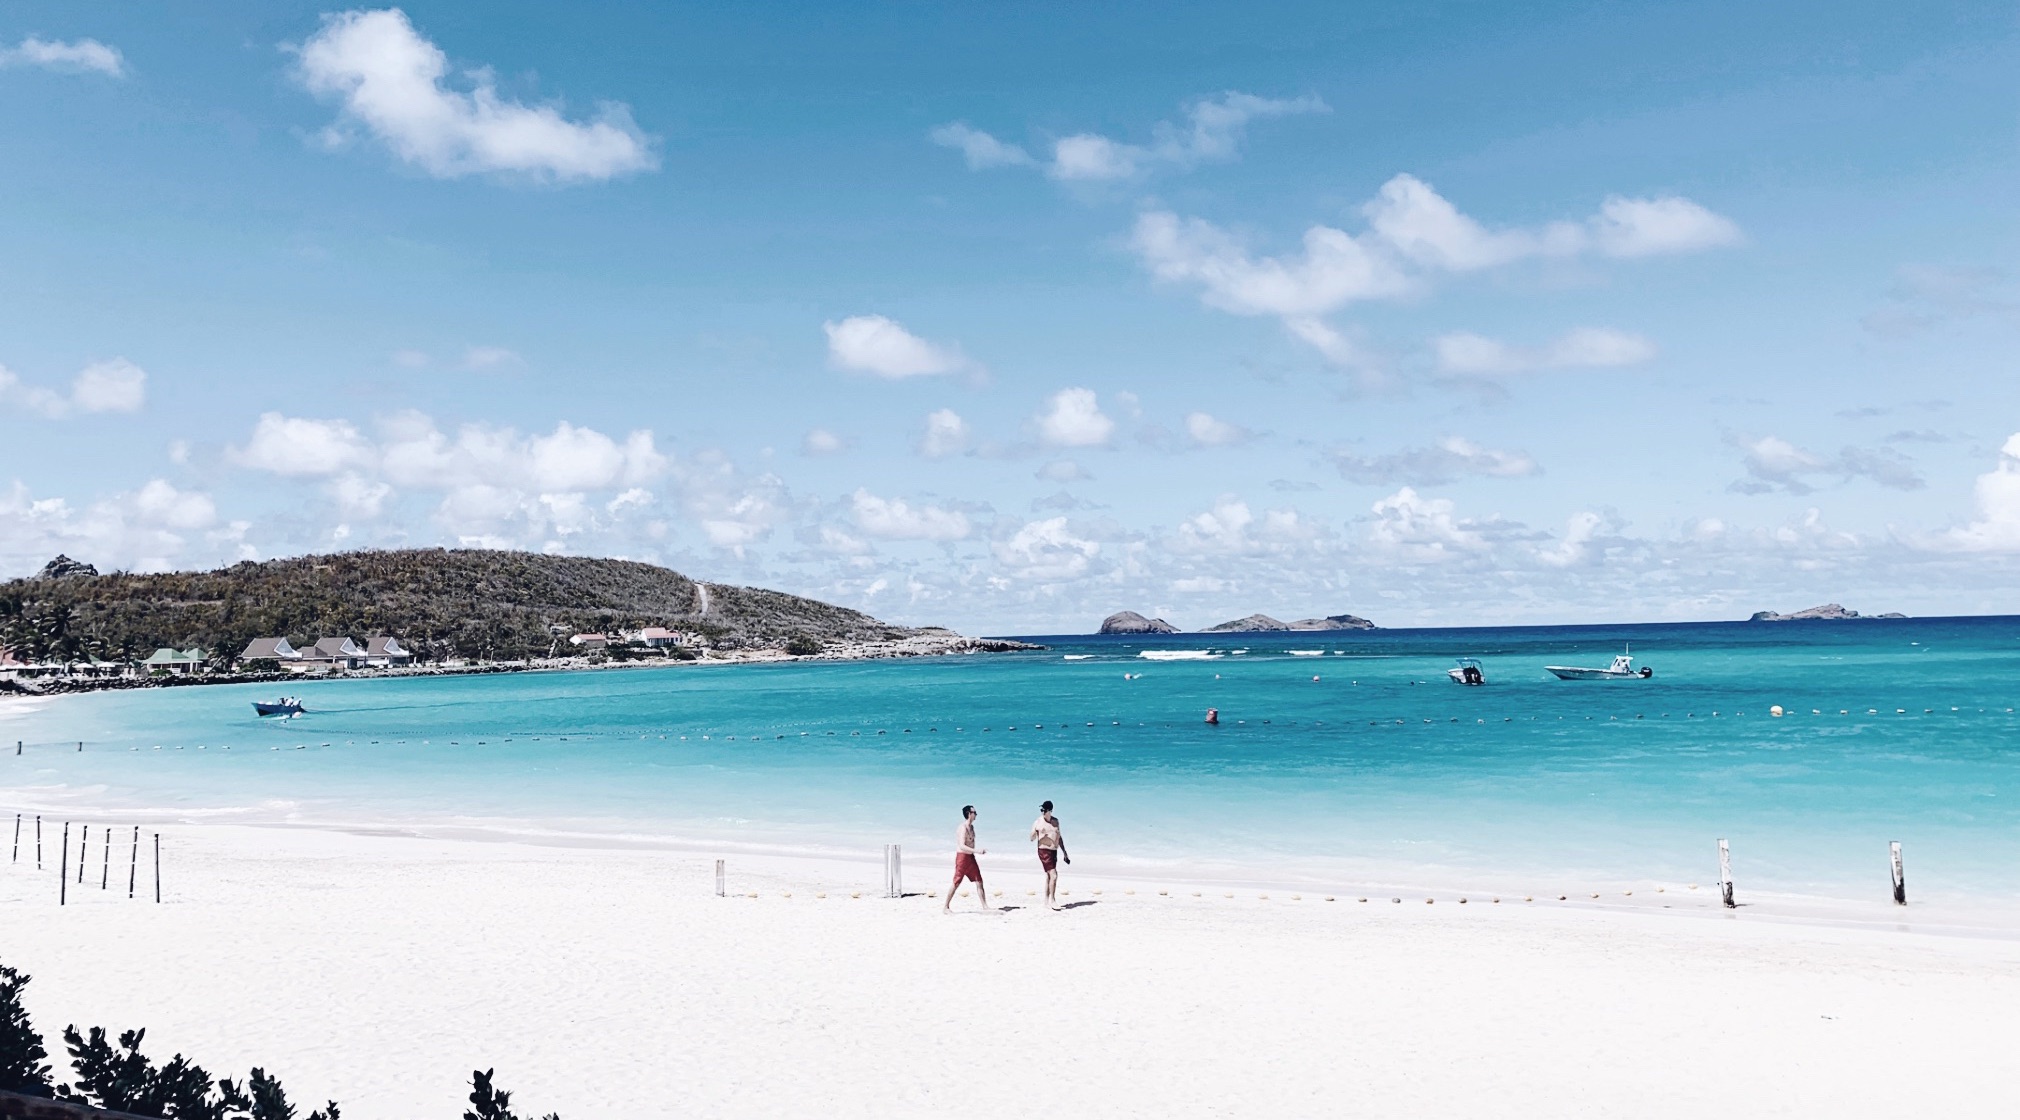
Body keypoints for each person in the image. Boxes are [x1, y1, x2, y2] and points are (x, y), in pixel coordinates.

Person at [944, 804, 991, 914]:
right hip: (962, 858)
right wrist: (977, 851)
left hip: (970, 857)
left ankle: (985, 906)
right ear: (969, 814)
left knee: (979, 880)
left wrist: (974, 852)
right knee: (956, 882)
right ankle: (946, 907)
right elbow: (961, 845)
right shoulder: (962, 828)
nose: (976, 815)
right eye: (974, 813)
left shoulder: (972, 827)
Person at [1030, 800, 1070, 909]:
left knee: (1049, 876)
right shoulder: (1038, 822)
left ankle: (1046, 901)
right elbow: (1031, 838)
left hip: (1054, 851)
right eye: (1041, 810)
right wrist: (1037, 832)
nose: (1042, 812)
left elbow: (1059, 838)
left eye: (1044, 810)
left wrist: (1065, 853)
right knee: (1054, 875)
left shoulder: (1056, 822)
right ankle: (1053, 900)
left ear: (1050, 811)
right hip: (1043, 851)